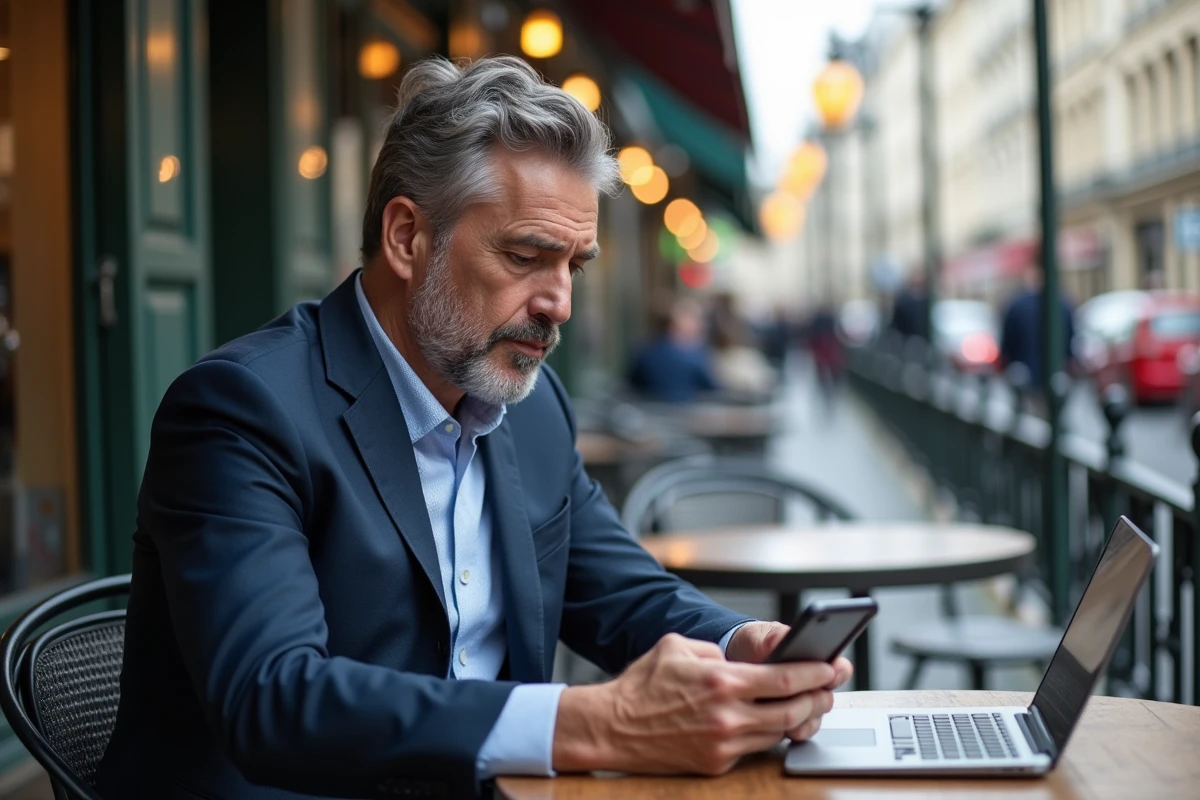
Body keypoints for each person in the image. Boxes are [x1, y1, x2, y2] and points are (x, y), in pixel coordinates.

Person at [97, 56, 851, 800]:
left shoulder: (535, 408)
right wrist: (595, 721)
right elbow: (274, 698)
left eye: (574, 267)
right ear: (405, 238)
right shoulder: (240, 410)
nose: (557, 302)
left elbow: (623, 594)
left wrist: (742, 645)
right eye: (526, 256)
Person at [999, 262, 1075, 415]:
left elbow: (1006, 347)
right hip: (1056, 382)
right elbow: (1071, 348)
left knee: (1029, 426)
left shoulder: (1016, 306)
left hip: (1026, 381)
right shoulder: (1063, 304)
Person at [628, 296, 720, 402]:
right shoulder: (694, 355)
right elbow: (711, 387)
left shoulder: (645, 350)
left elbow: (633, 384)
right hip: (685, 413)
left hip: (651, 412)